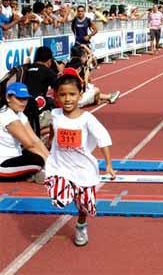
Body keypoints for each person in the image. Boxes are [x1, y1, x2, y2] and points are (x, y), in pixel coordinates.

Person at [44, 73, 116, 246]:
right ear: (57, 96)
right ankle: (66, 191)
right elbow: (54, 133)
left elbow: (103, 138)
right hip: (60, 166)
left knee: (84, 205)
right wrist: (49, 143)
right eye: (62, 94)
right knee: (58, 199)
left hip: (84, 169)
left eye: (72, 94)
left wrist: (108, 164)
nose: (67, 99)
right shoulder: (55, 115)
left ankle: (81, 225)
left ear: (80, 95)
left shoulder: (87, 119)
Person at [0, 83, 48, 180]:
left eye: (25, 99)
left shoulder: (20, 114)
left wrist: (52, 161)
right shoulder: (6, 115)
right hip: (3, 165)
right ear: (8, 98)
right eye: (19, 98)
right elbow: (29, 144)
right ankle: (36, 175)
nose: (23, 102)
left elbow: (35, 140)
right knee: (38, 161)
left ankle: (34, 174)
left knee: (39, 158)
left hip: (14, 159)